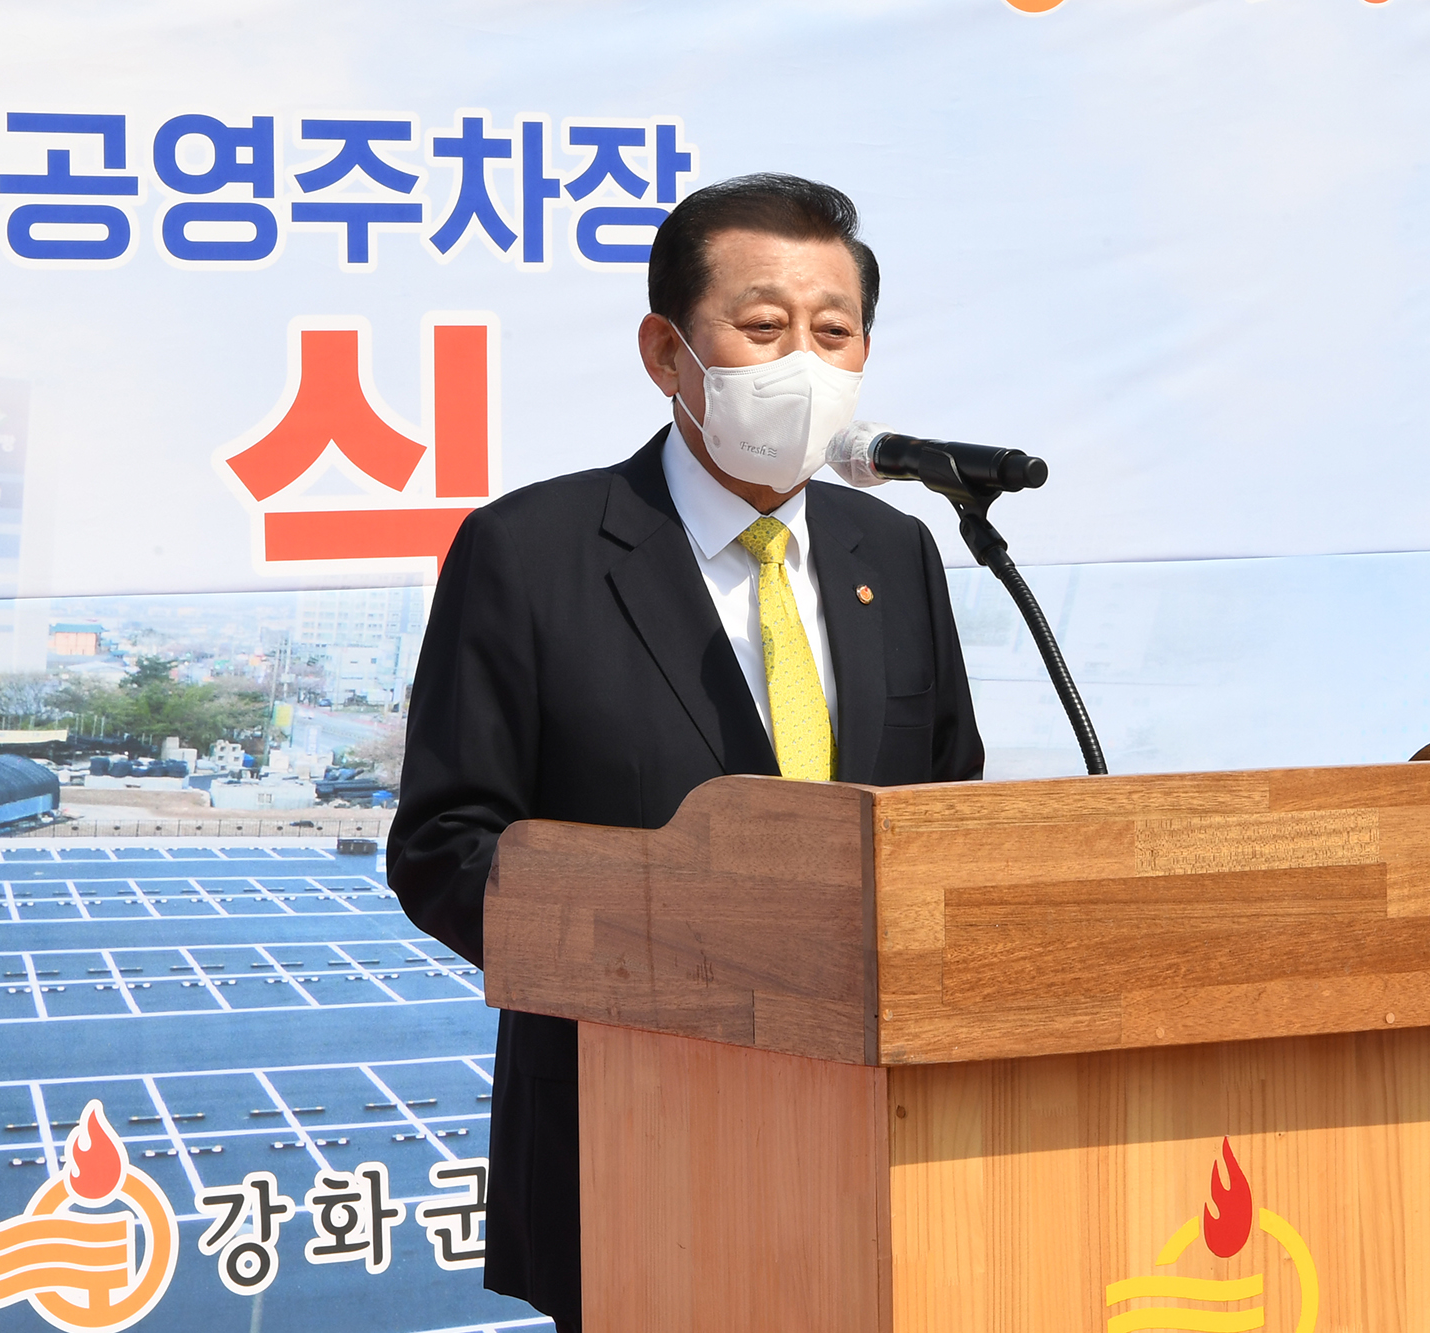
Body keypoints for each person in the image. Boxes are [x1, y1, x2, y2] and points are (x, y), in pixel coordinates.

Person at [387, 172, 985, 1332]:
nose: (802, 362)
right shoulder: (530, 552)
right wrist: (681, 955)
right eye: (762, 327)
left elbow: (946, 814)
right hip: (632, 1127)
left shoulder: (895, 550)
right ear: (666, 352)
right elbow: (445, 847)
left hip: (881, 1133)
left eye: (832, 332)